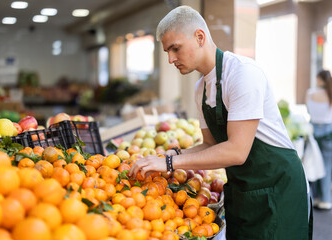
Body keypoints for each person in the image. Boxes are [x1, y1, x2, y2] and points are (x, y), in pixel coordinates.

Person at [129, 5, 312, 240]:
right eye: (167, 51)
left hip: (278, 189)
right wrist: (172, 155)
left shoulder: (242, 74)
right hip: (244, 192)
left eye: (175, 48)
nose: (170, 59)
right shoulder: (200, 90)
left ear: (199, 37)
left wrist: (171, 162)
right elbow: (209, 145)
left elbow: (237, 151)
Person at [306, 70, 332, 210]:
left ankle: (315, 198)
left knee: (314, 163)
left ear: (319, 79)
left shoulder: (311, 93)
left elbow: (309, 111)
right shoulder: (330, 93)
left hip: (313, 131)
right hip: (329, 132)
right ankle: (326, 199)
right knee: (327, 166)